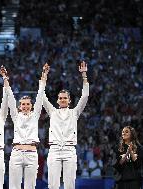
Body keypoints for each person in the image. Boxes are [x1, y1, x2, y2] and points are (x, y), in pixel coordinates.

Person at [43, 61, 89, 189]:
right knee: (53, 185)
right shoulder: (52, 112)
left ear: (69, 100)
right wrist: (44, 76)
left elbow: (85, 96)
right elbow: (42, 97)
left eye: (65, 98)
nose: (63, 100)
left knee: (69, 185)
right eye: (61, 98)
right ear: (57, 100)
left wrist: (84, 75)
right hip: (54, 150)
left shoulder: (75, 112)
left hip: (69, 150)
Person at [5, 64, 48, 189]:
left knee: (30, 187)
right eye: (23, 104)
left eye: (27, 104)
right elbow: (10, 97)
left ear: (32, 106)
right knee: (14, 187)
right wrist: (5, 78)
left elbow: (40, 95)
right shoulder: (15, 116)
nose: (25, 106)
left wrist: (44, 75)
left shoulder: (35, 115)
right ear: (19, 107)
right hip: (16, 153)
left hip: (32, 153)